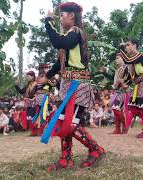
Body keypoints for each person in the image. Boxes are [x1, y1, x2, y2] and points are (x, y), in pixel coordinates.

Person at [40, 2, 105, 172]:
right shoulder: (69, 36)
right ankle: (65, 158)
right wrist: (46, 77)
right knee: (63, 122)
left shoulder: (76, 33)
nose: (60, 19)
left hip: (78, 86)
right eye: (59, 16)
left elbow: (57, 41)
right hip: (68, 85)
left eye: (62, 15)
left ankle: (96, 150)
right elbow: (60, 62)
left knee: (71, 123)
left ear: (72, 16)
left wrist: (48, 22)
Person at [119, 38, 143, 138]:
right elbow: (132, 76)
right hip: (138, 85)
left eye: (128, 45)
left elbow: (127, 60)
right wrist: (127, 83)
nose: (126, 47)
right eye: (126, 45)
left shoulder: (138, 55)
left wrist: (121, 48)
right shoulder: (133, 58)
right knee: (134, 108)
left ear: (134, 46)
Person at [111, 53, 131, 134]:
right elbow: (113, 79)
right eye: (116, 58)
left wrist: (126, 83)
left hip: (124, 92)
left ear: (123, 59)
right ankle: (118, 129)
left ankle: (125, 125)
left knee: (115, 108)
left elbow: (131, 78)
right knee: (117, 110)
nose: (116, 60)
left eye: (118, 58)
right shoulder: (118, 69)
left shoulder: (126, 68)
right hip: (117, 91)